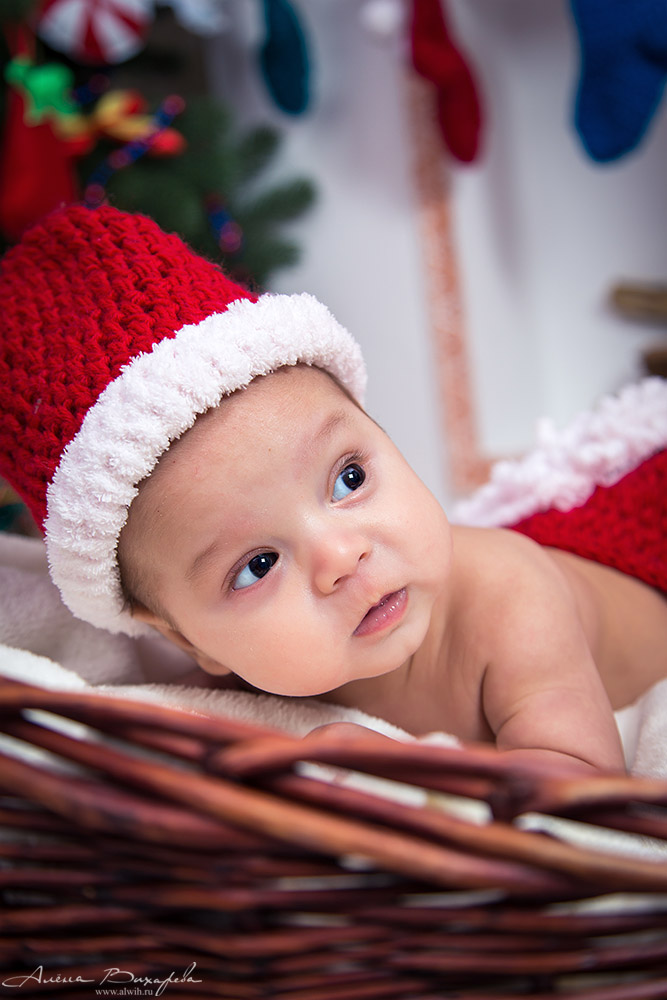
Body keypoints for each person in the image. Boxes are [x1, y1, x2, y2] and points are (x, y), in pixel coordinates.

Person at [1, 205, 665, 775]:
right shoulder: (247, 680)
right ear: (188, 640)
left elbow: (577, 786)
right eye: (257, 565)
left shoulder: (509, 600)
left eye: (349, 479)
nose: (342, 557)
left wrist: (411, 774)